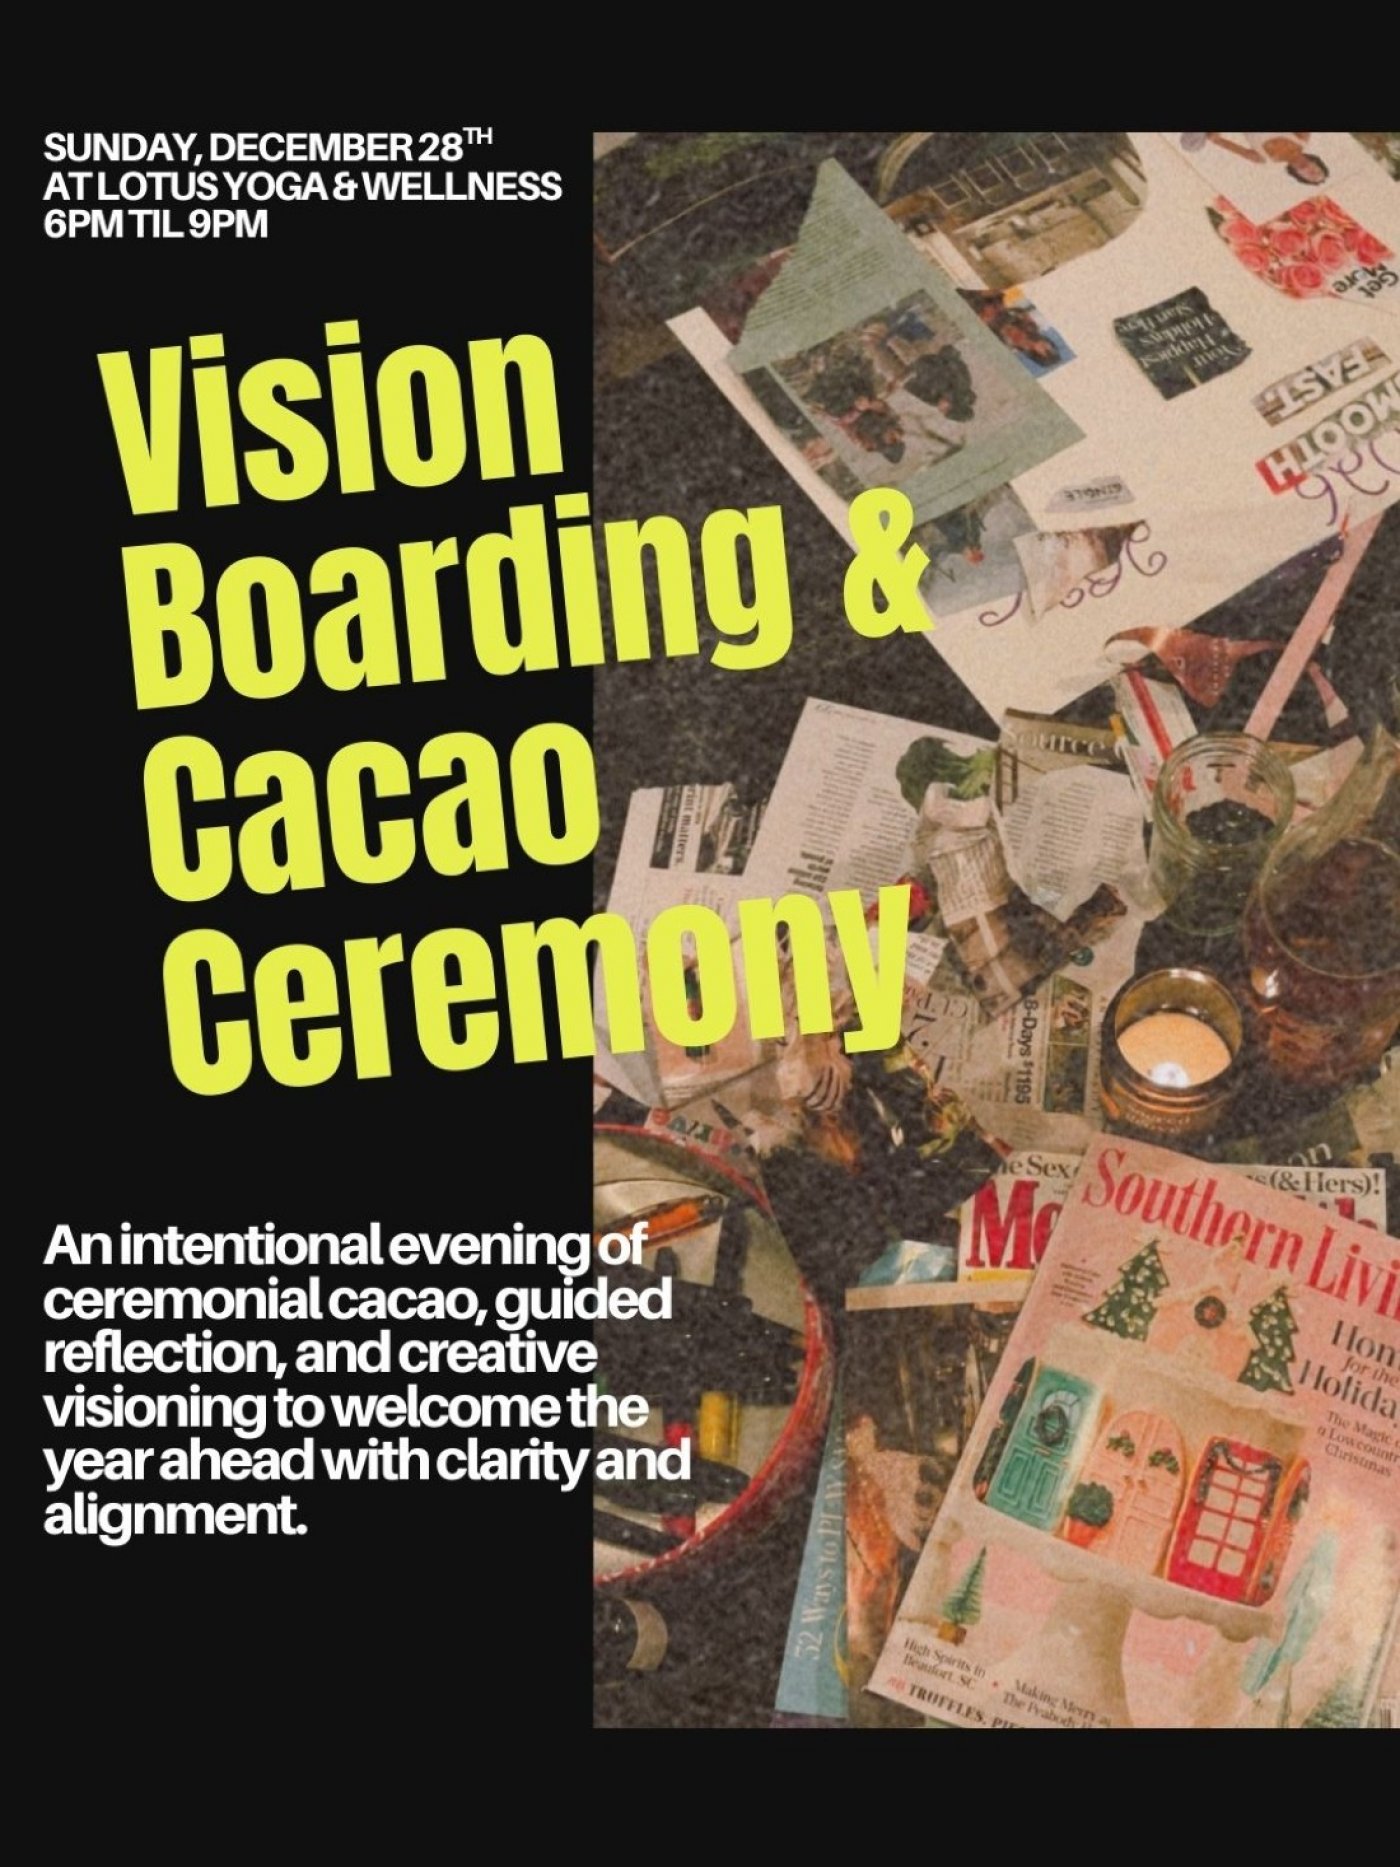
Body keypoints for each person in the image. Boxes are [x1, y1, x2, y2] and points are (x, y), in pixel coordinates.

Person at [1200, 132, 1329, 189]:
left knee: (1193, 145)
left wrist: (1214, 138)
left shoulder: (1263, 160)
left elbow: (1219, 141)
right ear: (1316, 162)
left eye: (1310, 177)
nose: (1312, 172)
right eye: (1318, 171)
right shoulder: (1302, 138)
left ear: (1299, 175)